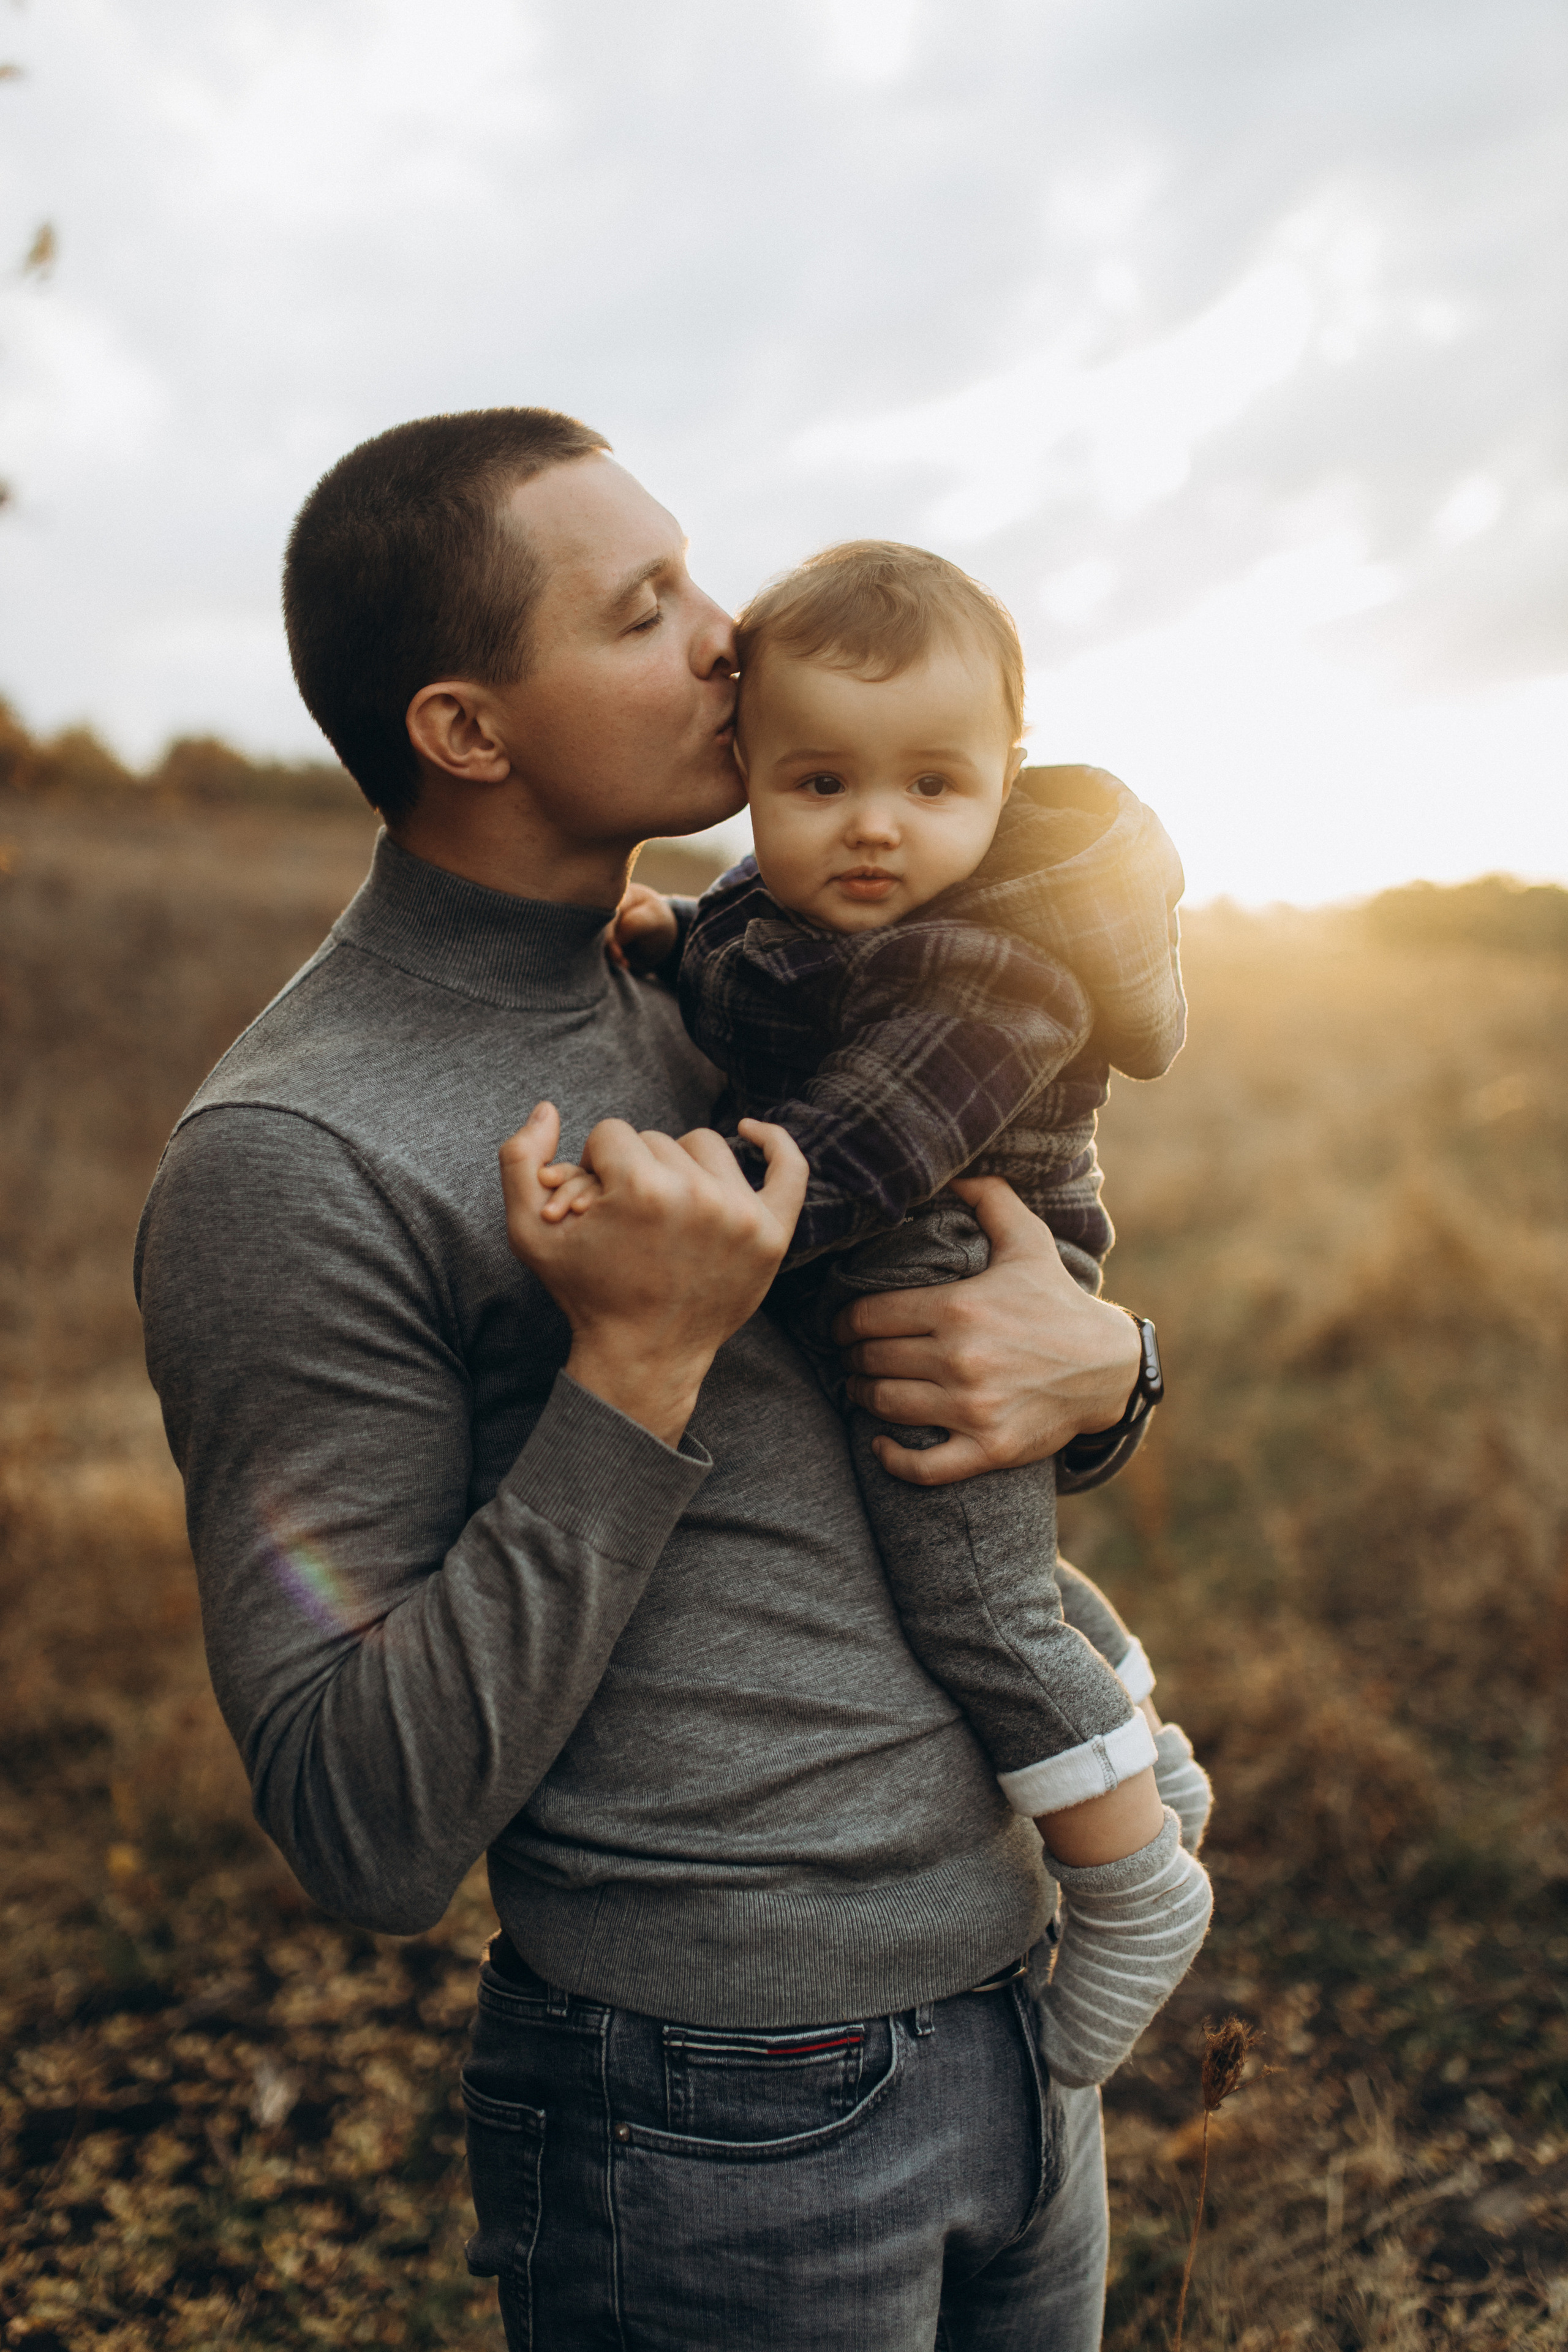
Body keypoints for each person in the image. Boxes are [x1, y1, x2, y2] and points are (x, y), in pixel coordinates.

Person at [134, 407, 1208, 2351]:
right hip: (714, 2121)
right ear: (467, 729)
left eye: (699, 576)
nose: (729, 637)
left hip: (1025, 2029)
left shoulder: (765, 969)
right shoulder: (296, 1156)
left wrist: (1109, 1370)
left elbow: (927, 1416)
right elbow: (358, 1824)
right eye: (646, 611)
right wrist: (630, 1368)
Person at [544, 538, 1212, 2093]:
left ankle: (1131, 1889)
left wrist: (668, 1204)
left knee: (972, 1607)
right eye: (820, 784)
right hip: (882, 1254)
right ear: (748, 777)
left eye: (930, 785)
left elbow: (849, 1156)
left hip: (937, 1271)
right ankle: (1141, 1753)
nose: (873, 828)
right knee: (1001, 1578)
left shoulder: (995, 963)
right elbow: (746, 964)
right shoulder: (790, 904)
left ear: (1003, 776)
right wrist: (665, 942)